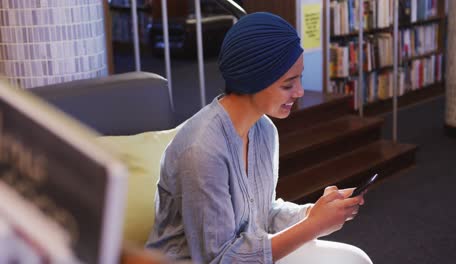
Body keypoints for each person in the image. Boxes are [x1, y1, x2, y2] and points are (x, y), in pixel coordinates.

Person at [146, 12, 371, 263]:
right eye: (288, 84)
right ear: (252, 80)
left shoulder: (264, 130)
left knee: (355, 259)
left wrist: (315, 212)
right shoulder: (202, 151)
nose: (300, 91)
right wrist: (313, 226)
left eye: (299, 78)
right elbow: (220, 259)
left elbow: (263, 214)